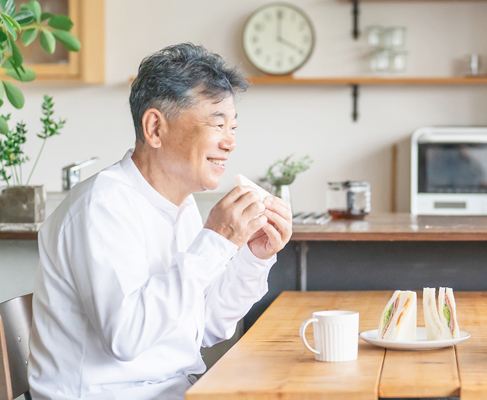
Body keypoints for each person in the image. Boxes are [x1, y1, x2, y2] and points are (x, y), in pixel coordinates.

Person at [27, 43, 293, 399]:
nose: (229, 142)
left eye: (233, 127)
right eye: (217, 123)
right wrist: (215, 241)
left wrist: (252, 257)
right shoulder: (102, 205)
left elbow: (208, 325)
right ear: (155, 128)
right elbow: (127, 337)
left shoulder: (180, 206)